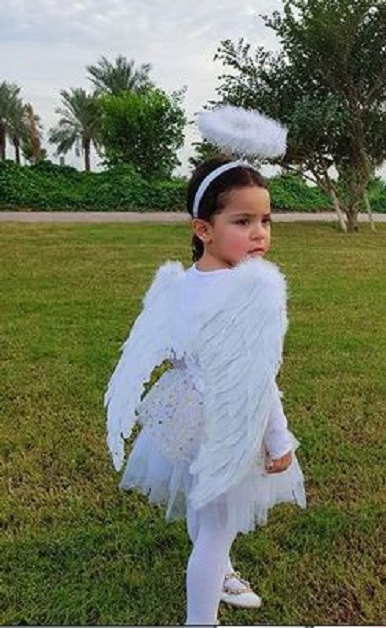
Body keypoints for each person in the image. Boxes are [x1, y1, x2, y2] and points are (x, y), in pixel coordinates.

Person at [104, 148, 307, 626]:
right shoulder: (254, 291)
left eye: (266, 220)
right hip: (227, 422)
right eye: (242, 221)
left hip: (183, 416)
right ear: (204, 229)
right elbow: (257, 378)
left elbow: (174, 352)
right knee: (217, 528)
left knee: (204, 503)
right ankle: (202, 617)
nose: (259, 233)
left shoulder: (177, 285)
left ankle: (223, 574)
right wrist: (278, 439)